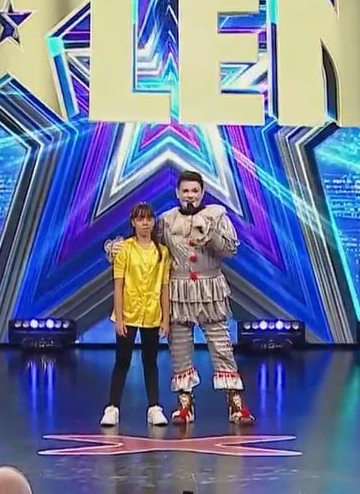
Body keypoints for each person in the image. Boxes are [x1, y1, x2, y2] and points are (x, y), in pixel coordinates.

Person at [106, 170, 253, 425]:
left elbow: (230, 250)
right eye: (185, 191)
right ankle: (185, 403)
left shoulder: (216, 216)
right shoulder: (166, 220)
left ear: (202, 192)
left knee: (221, 343)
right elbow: (149, 246)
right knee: (180, 346)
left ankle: (235, 402)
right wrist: (118, 248)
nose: (190, 195)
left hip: (209, 288)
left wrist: (210, 235)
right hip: (179, 288)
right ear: (177, 193)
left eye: (195, 191)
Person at [102, 202, 171, 428]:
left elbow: (164, 287)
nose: (144, 223)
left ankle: (154, 408)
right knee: (122, 361)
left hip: (152, 312)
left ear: (153, 222)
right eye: (140, 219)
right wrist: (120, 318)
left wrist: (166, 318)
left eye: (148, 219)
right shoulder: (125, 250)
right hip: (128, 313)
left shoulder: (162, 252)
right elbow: (118, 285)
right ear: (133, 222)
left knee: (150, 362)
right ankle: (112, 408)